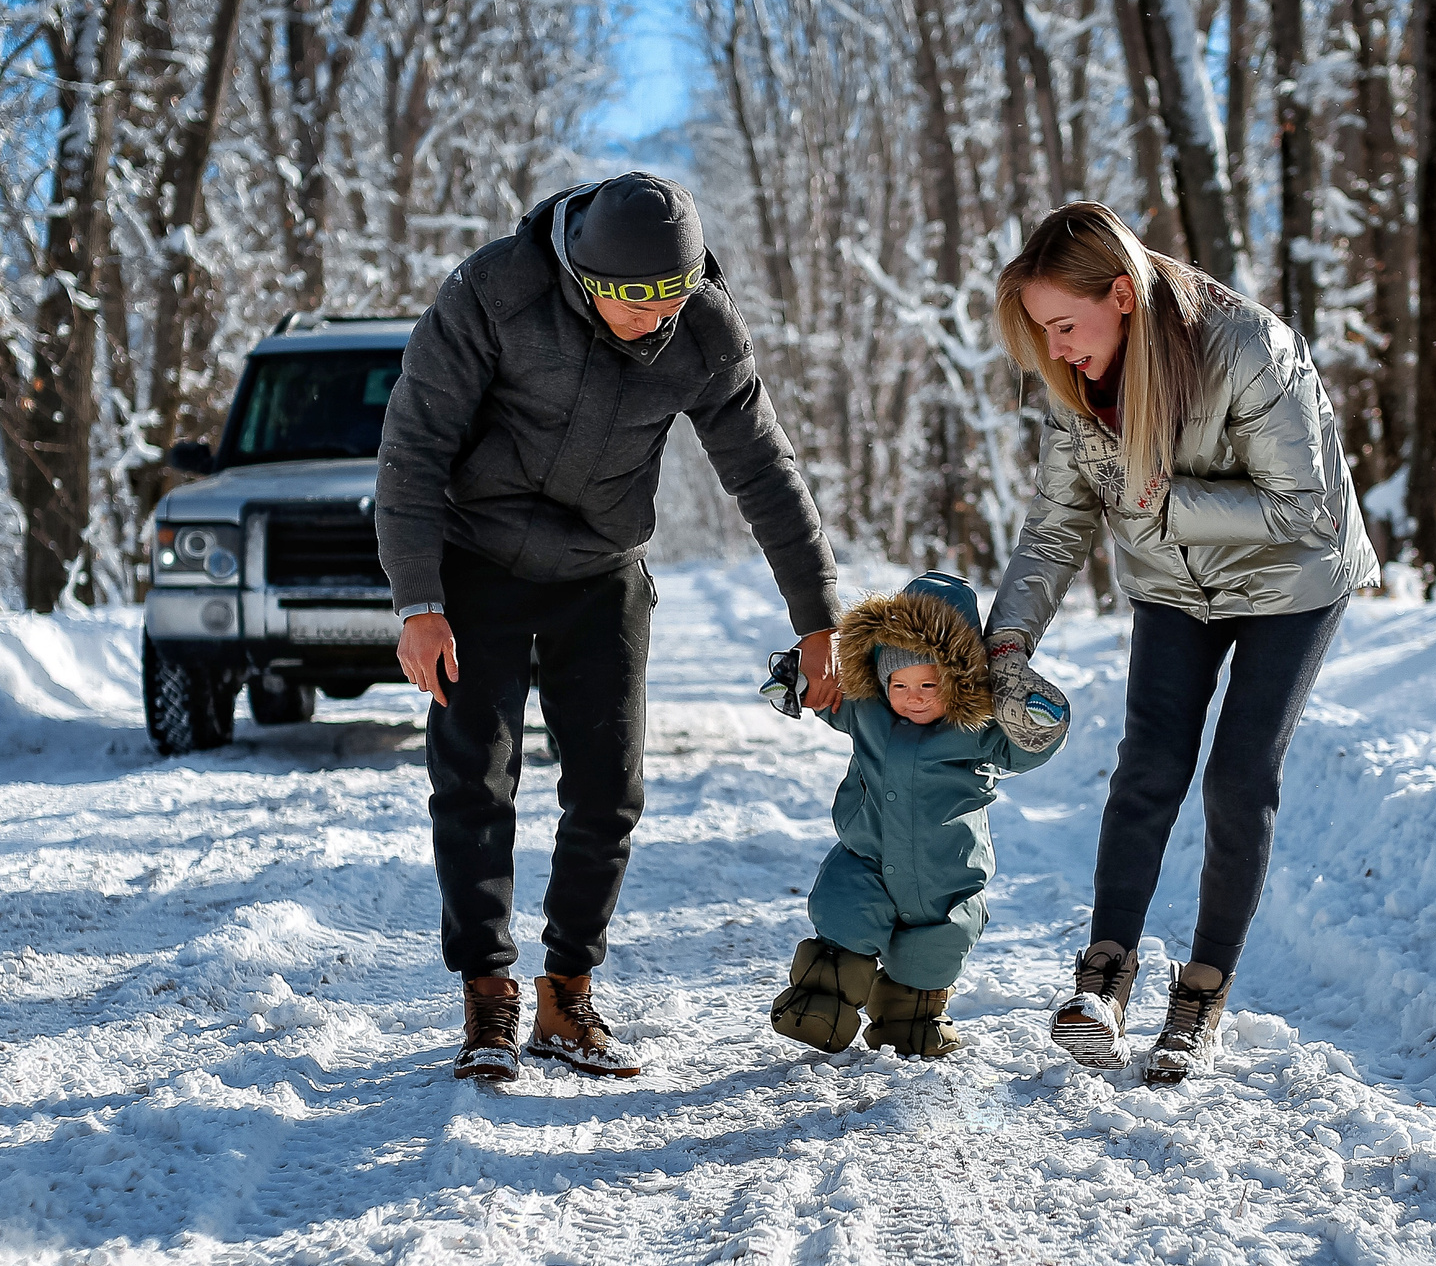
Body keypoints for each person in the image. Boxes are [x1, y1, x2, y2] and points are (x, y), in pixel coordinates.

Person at [378, 172, 845, 1084]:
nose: (648, 313)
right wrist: (418, 601)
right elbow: (414, 444)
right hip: (479, 562)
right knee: (476, 777)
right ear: (579, 274)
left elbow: (765, 472)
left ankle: (566, 993)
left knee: (609, 787)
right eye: (627, 295)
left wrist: (819, 616)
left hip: (600, 570)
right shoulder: (493, 292)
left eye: (667, 293)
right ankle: (488, 997)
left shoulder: (706, 330)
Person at [983, 202, 1379, 1083]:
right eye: (1041, 332)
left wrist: (1163, 504)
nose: (1057, 348)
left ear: (1121, 294)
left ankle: (1201, 992)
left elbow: (1304, 510)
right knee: (1148, 766)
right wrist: (1008, 639)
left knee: (1239, 775)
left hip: (1293, 582)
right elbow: (1055, 527)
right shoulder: (1075, 387)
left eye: (1064, 324)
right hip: (1174, 585)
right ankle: (1104, 976)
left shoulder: (1248, 349)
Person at [770, 571, 1068, 1058]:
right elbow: (827, 699)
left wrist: (1040, 722)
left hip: (944, 874)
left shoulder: (977, 728)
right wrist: (797, 684)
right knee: (844, 921)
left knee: (932, 952)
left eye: (931, 682)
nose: (914, 696)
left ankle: (912, 1015)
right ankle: (817, 1001)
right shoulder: (867, 710)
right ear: (880, 679)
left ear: (960, 678)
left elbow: (1025, 750)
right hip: (868, 857)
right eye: (900, 682)